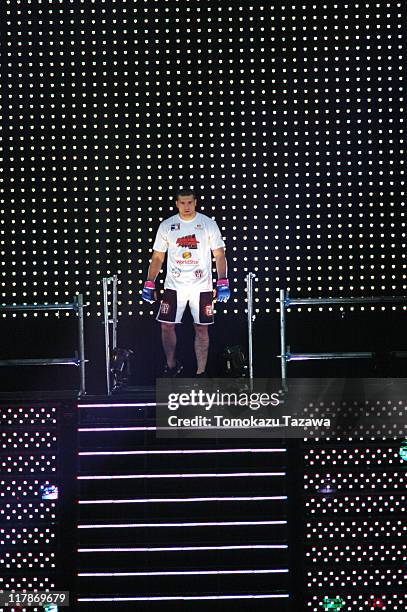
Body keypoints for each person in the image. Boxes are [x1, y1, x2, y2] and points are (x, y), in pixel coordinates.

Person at [141, 190, 230, 377]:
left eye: (190, 202)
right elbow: (157, 256)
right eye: (182, 203)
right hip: (174, 285)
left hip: (201, 285)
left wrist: (222, 280)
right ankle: (172, 365)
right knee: (166, 325)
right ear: (177, 204)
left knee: (201, 327)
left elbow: (219, 254)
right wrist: (150, 282)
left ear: (195, 202)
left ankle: (201, 372)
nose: (186, 206)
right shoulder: (167, 225)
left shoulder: (208, 224)